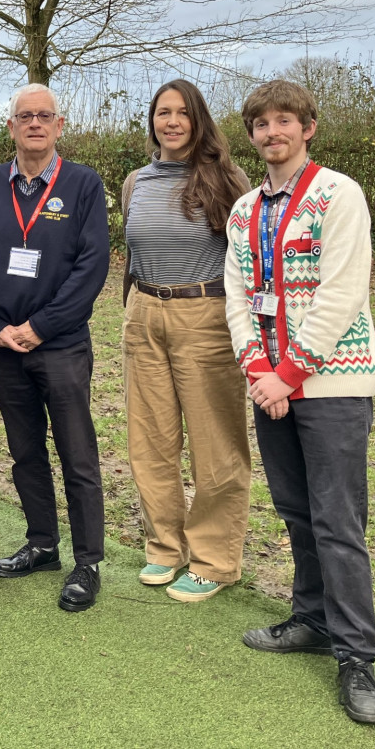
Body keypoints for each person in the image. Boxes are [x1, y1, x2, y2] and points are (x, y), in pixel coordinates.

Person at [225, 80, 375, 724]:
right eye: (261, 125)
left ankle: (356, 657)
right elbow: (239, 299)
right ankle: (312, 619)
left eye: (284, 121)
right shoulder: (243, 211)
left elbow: (342, 291)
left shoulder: (338, 194)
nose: (273, 134)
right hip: (272, 387)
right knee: (296, 511)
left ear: (308, 127)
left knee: (338, 523)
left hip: (332, 384)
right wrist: (260, 371)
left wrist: (289, 375)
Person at [0, 83, 110, 613]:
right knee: (24, 452)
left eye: (44, 116)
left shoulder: (84, 185)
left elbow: (92, 268)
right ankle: (43, 543)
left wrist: (41, 326)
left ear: (59, 125)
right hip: (5, 346)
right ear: (10, 127)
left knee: (77, 455)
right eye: (25, 116)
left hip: (61, 345)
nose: (35, 124)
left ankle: (88, 560)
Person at [120, 79, 252, 602]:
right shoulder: (136, 182)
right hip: (144, 313)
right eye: (161, 113)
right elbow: (131, 254)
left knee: (215, 443)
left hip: (206, 315)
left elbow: (248, 258)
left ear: (197, 120)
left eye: (181, 113)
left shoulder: (226, 178)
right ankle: (165, 549)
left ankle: (215, 561)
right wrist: (135, 307)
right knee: (149, 442)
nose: (170, 122)